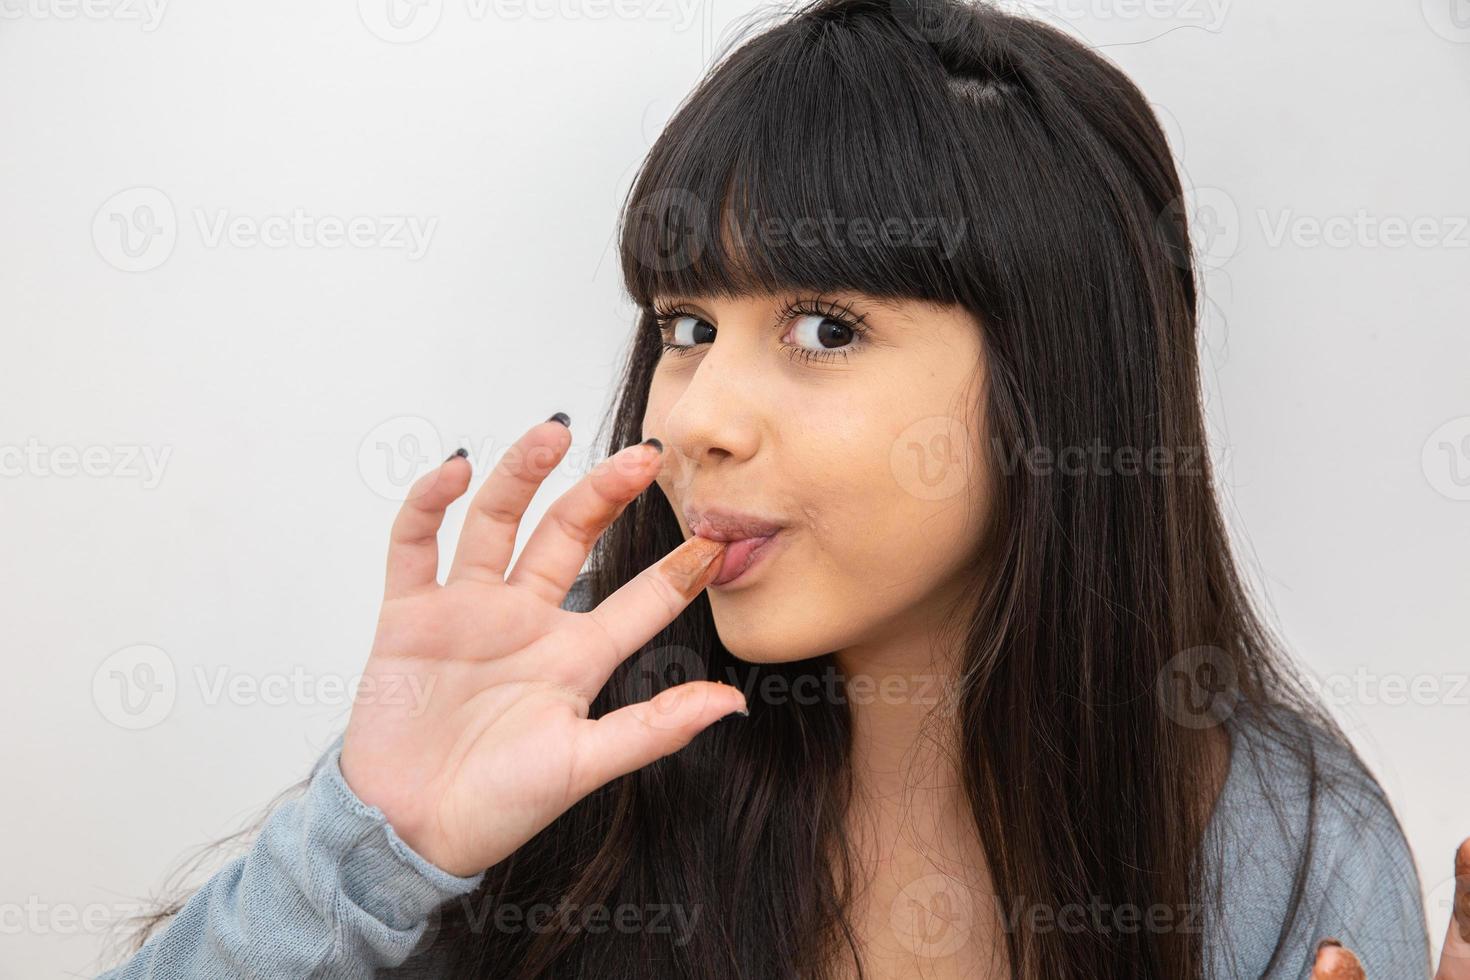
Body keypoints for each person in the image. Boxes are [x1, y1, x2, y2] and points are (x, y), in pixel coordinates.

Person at [100, 0, 1439, 976]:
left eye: (825, 328)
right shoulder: (556, 733)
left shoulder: (1286, 848)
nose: (696, 421)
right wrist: (374, 843)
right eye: (686, 326)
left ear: (1062, 370)